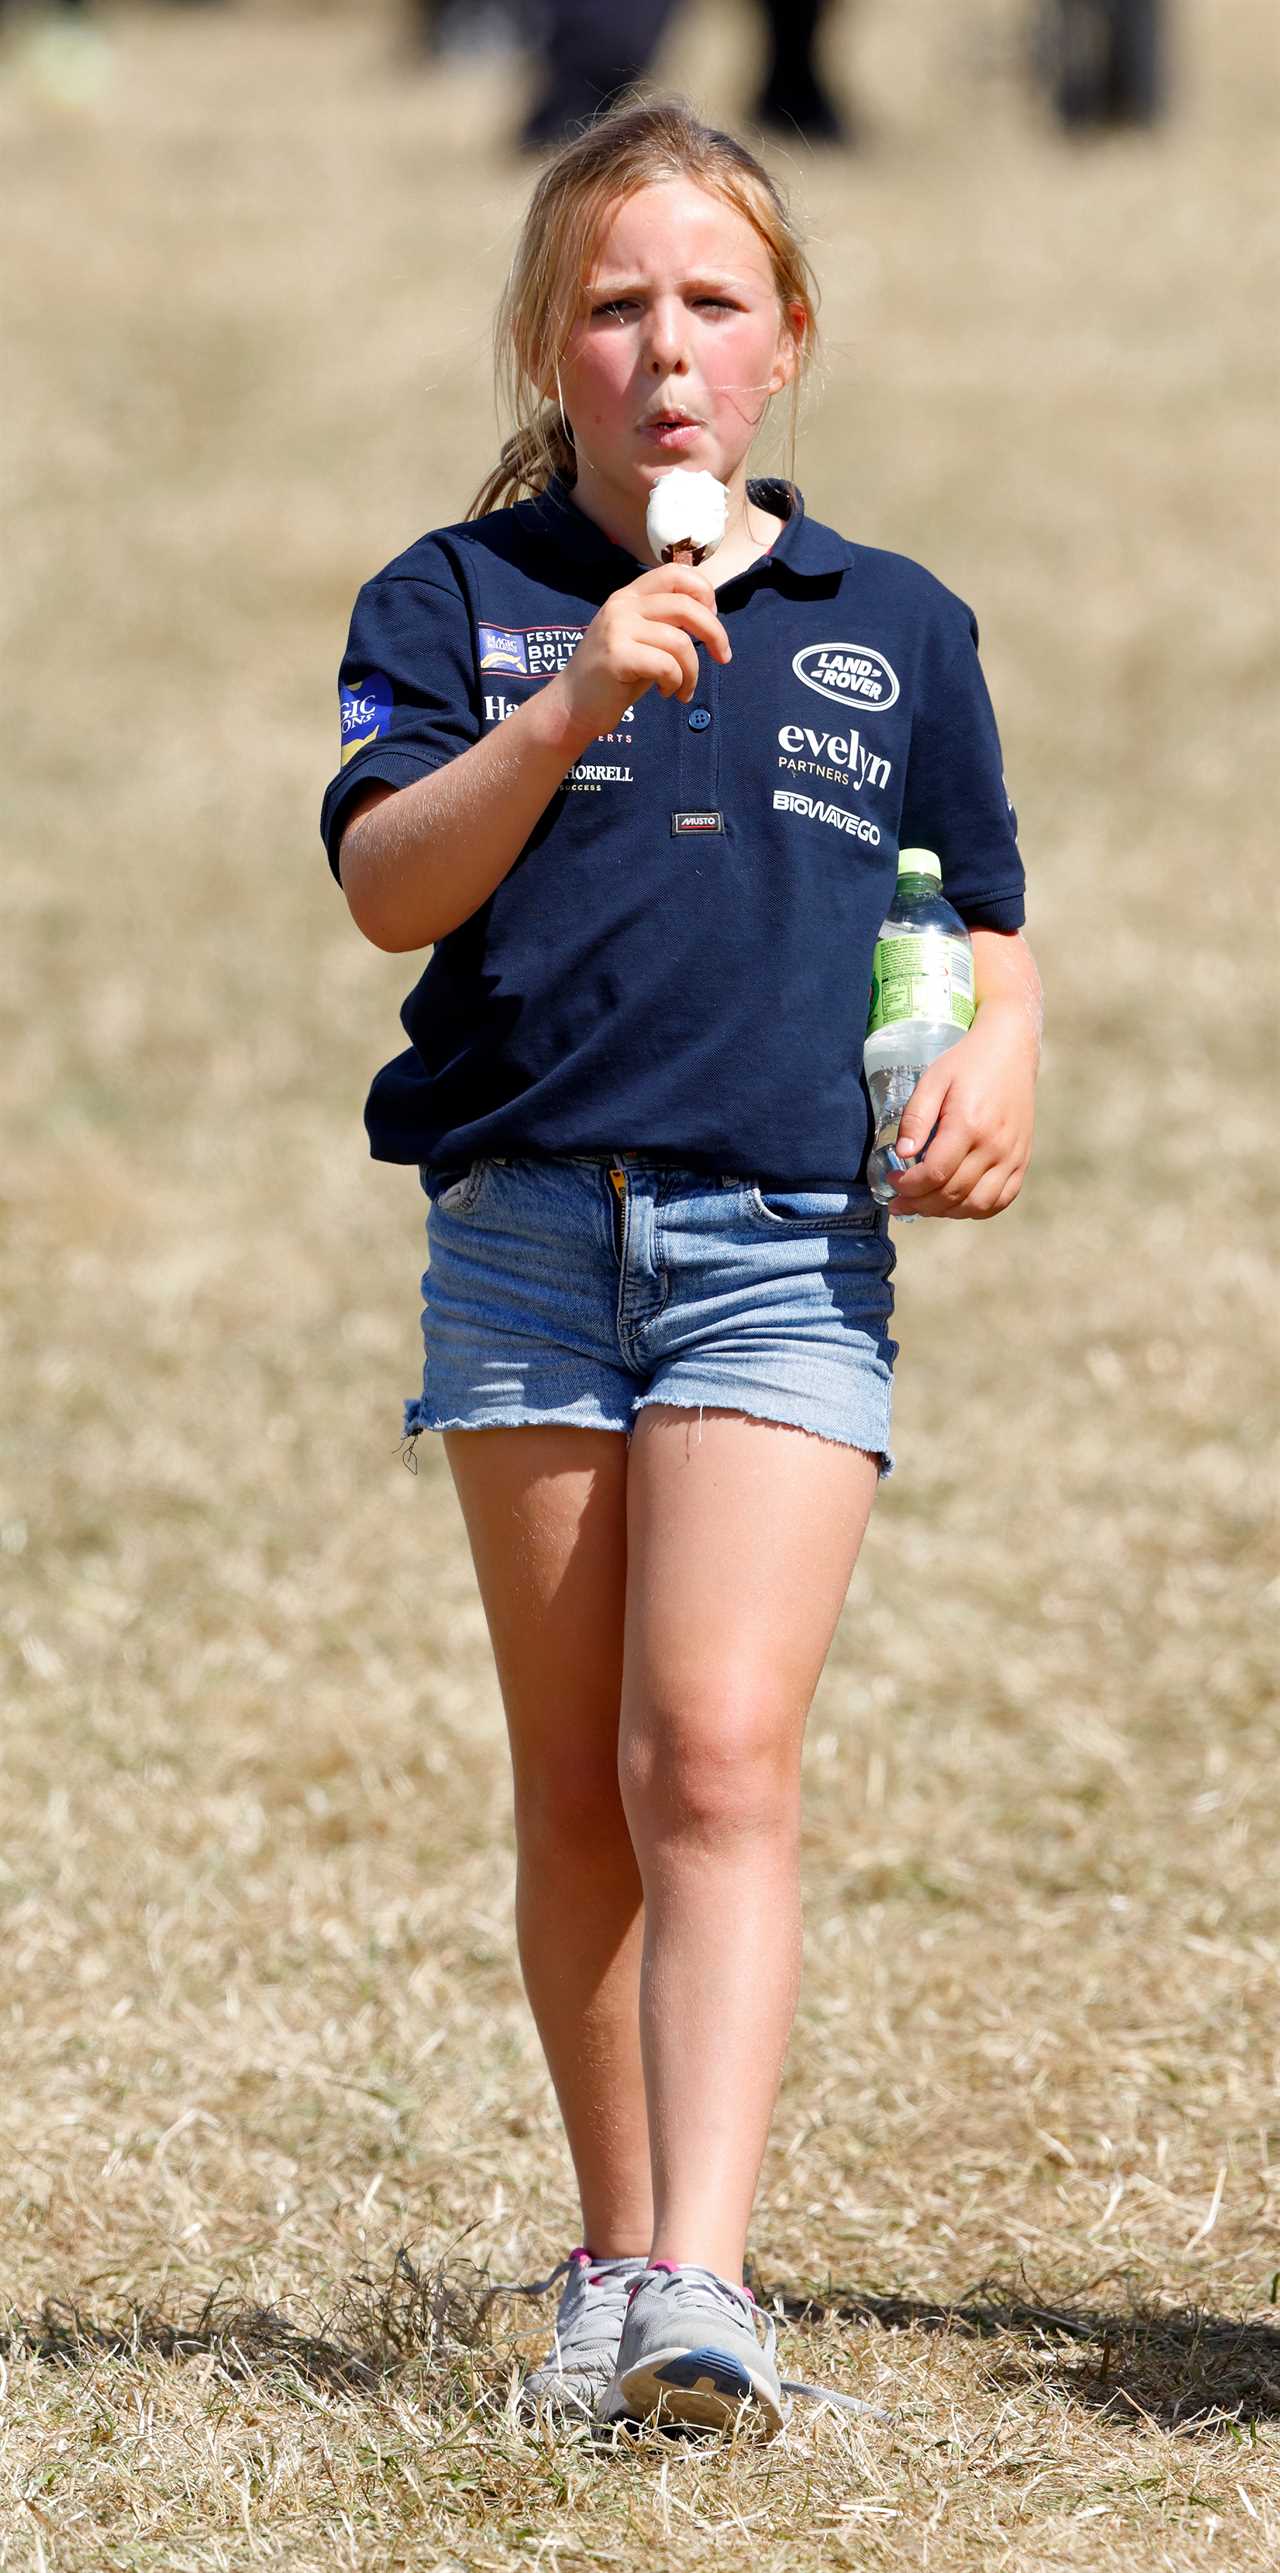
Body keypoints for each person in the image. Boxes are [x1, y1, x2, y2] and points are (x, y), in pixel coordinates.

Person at [320, 98, 1042, 2441]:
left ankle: (712, 2289)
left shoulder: (895, 627)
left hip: (775, 1249)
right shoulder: (456, 600)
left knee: (711, 1751)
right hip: (527, 1240)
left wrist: (998, 1063)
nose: (667, 353)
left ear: (787, 341)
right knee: (576, 1790)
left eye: (713, 304)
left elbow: (982, 919)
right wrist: (571, 699)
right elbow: (389, 888)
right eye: (615, 307)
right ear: (553, 339)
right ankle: (610, 2264)